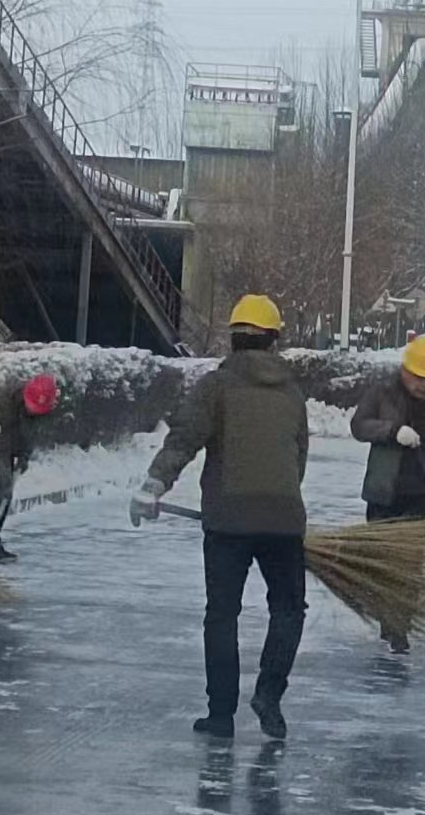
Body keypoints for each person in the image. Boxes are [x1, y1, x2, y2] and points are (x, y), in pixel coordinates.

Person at [131, 295, 309, 742]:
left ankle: (221, 715)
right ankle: (269, 694)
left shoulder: (216, 386)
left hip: (228, 521)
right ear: (273, 340)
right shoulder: (292, 392)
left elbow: (184, 438)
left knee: (223, 614)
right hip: (284, 518)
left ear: (233, 339)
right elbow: (298, 458)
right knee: (289, 609)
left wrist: (155, 484)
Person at [349, 335, 425, 652]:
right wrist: (392, 431)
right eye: (419, 377)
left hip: (421, 498)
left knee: (409, 566)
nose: (424, 385)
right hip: (385, 495)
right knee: (383, 565)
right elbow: (359, 426)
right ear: (405, 370)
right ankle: (386, 616)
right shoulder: (383, 393)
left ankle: (399, 628)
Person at [0, 371, 60, 560]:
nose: (32, 411)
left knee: (4, 495)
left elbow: (31, 432)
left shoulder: (44, 405)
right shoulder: (3, 403)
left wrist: (24, 456)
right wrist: (4, 480)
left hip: (9, 444)